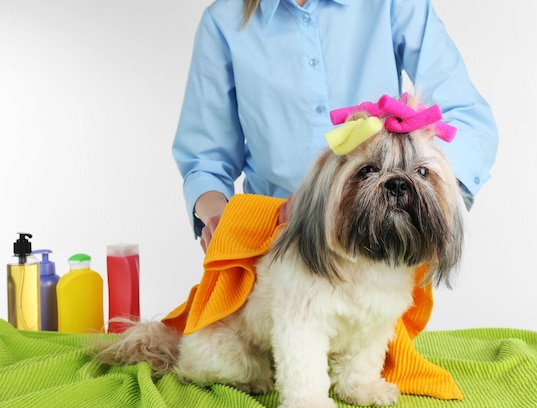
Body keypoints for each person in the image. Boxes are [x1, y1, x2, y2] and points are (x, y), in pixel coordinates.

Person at [172, 0, 498, 252]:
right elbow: (206, 162)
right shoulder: (223, 23)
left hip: (377, 256)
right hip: (276, 253)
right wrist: (218, 219)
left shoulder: (393, 5)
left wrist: (419, 191)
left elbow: (469, 121)